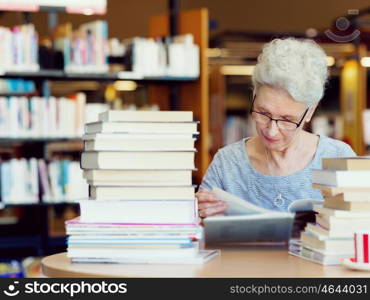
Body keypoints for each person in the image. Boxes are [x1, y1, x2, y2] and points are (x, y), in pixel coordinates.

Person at [197, 37, 356, 220]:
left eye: (287, 120)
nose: (271, 130)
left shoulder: (337, 158)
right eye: (263, 113)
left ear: (310, 112)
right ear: (254, 96)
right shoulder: (227, 163)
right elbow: (199, 233)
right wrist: (201, 214)